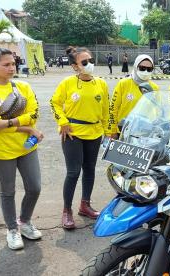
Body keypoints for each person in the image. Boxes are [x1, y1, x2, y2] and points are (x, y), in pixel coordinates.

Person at [0, 48, 43, 250]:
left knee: (34, 187)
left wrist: (8, 123)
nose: (12, 68)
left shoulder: (23, 86)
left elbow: (34, 114)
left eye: (13, 63)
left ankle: (25, 221)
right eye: (6, 64)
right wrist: (26, 127)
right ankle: (12, 229)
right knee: (8, 191)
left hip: (25, 147)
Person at [50, 46, 110, 229]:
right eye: (84, 62)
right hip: (73, 134)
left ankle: (85, 205)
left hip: (95, 133)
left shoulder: (101, 83)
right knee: (73, 172)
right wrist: (62, 121)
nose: (89, 64)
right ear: (75, 66)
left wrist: (108, 132)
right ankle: (66, 211)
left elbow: (106, 111)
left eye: (91, 61)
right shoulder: (67, 83)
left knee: (90, 169)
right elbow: (55, 103)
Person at [108, 54, 158, 137]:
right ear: (135, 67)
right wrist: (112, 130)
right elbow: (113, 108)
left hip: (144, 134)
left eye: (149, 69)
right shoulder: (123, 84)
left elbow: (157, 112)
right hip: (123, 131)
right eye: (142, 68)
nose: (145, 72)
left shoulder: (154, 88)